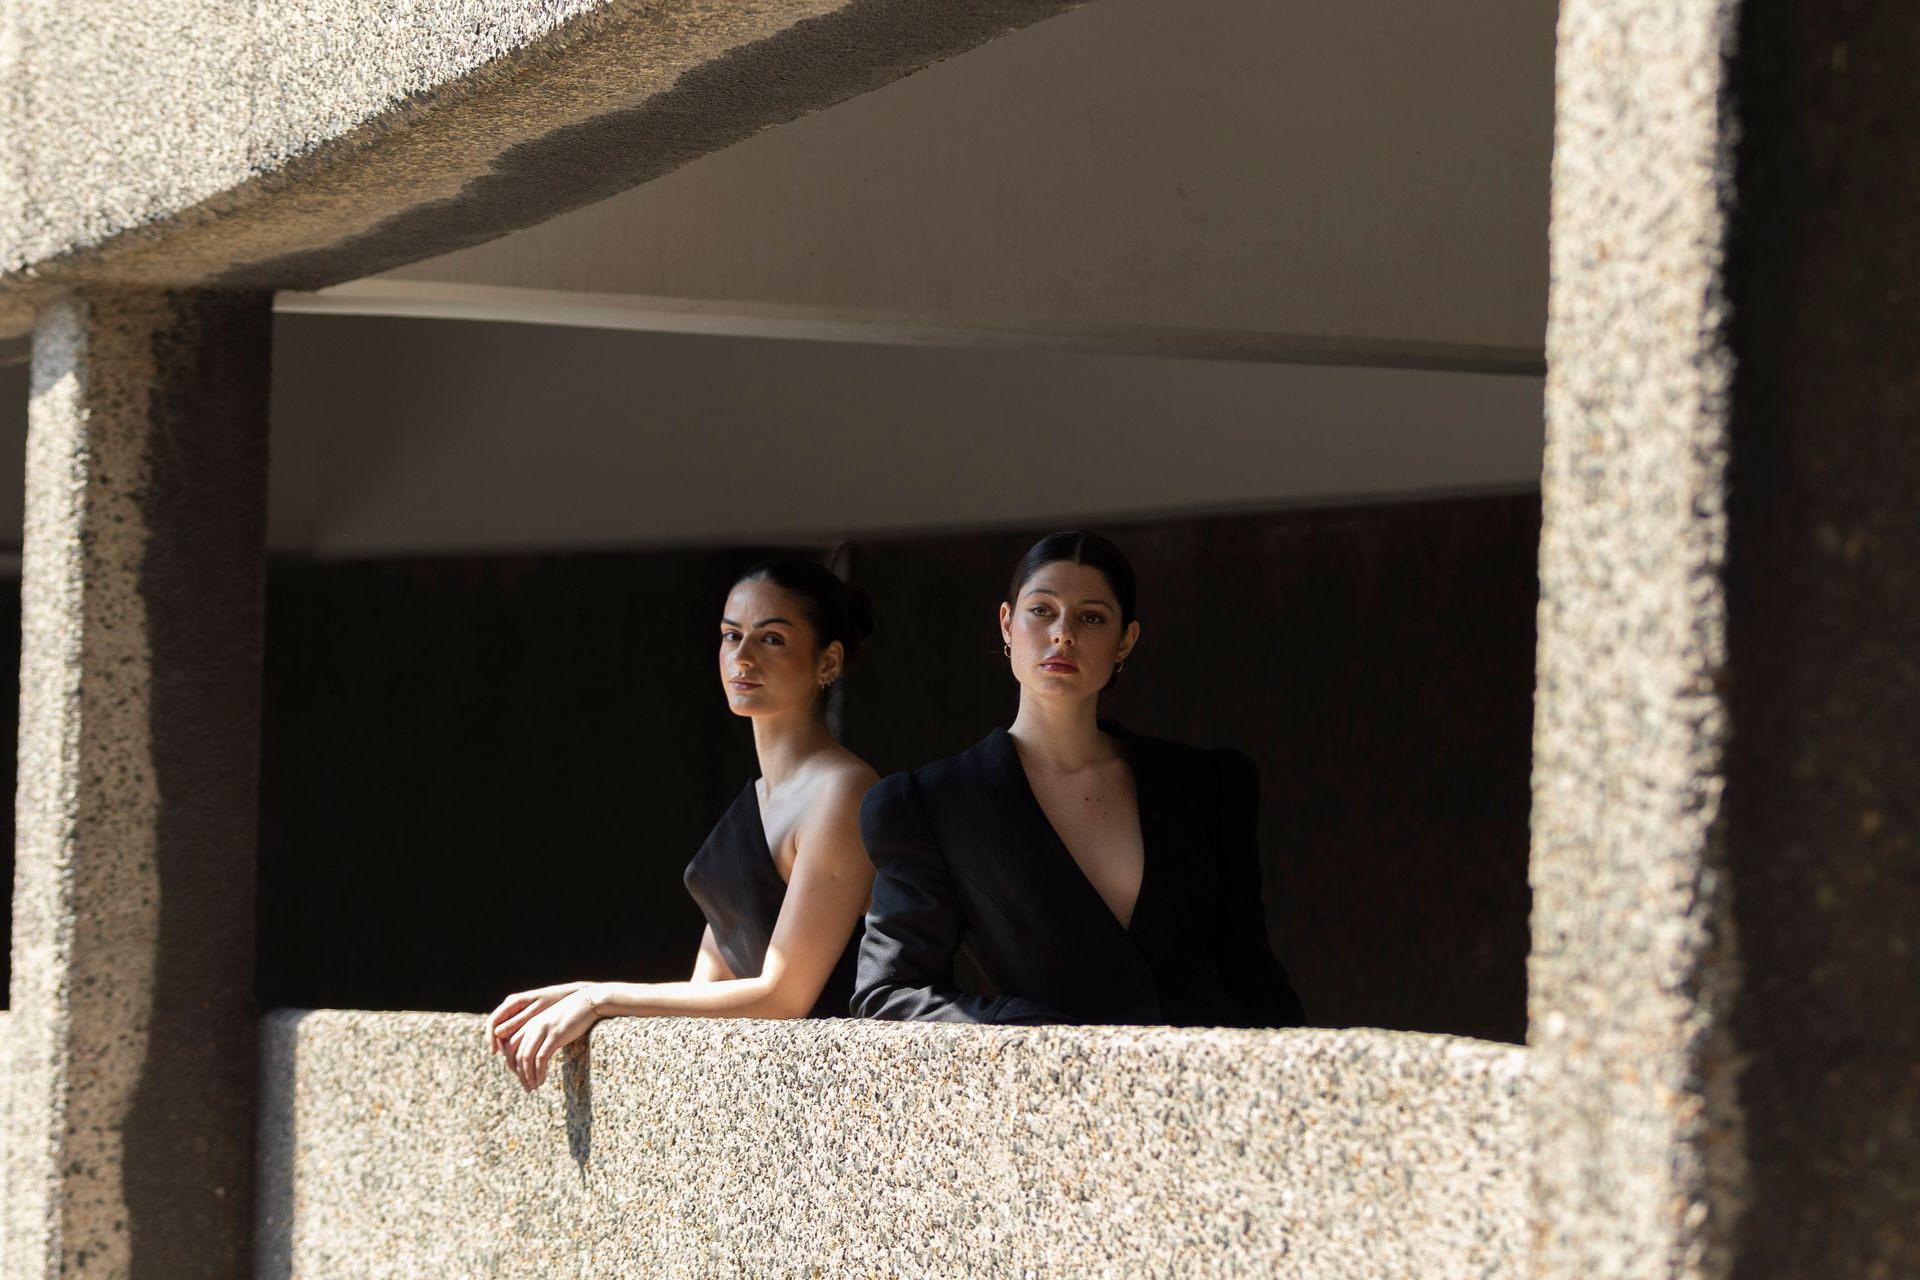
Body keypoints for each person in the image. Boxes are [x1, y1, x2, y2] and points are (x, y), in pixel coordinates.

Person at [852, 530, 1305, 1027]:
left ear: (1125, 639)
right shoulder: (929, 803)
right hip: (1056, 1091)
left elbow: (1252, 972)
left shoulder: (1207, 783)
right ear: (1007, 624)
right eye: (1041, 610)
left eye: (1091, 617)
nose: (1062, 633)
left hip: (1213, 1084)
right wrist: (1032, 1032)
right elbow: (891, 992)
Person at [487, 558, 879, 1089]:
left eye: (771, 640)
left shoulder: (843, 789)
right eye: (730, 635)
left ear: (827, 661)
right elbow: (708, 985)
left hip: (832, 1090)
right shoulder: (760, 800)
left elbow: (784, 995)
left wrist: (600, 996)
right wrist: (584, 997)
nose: (741, 657)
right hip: (757, 1083)